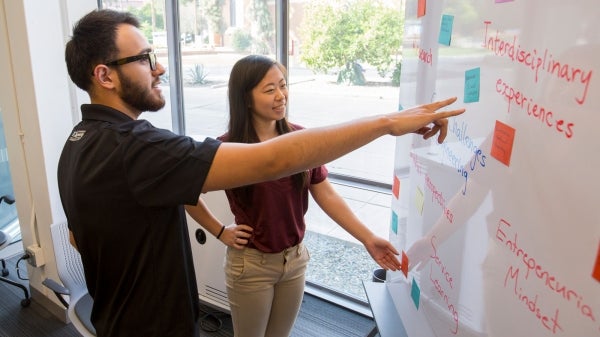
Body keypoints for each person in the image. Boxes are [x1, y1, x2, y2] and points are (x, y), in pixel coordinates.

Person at [58, 8, 465, 337]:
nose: (159, 67)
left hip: (118, 320)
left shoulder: (78, 143)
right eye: (145, 58)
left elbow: (80, 238)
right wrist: (386, 124)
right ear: (105, 75)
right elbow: (273, 160)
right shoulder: (136, 148)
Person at [184, 55, 405, 337]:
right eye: (269, 90)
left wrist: (367, 238)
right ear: (246, 99)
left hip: (295, 260)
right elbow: (187, 193)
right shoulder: (228, 147)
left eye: (283, 85)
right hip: (251, 265)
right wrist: (220, 231)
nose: (281, 96)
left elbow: (327, 194)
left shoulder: (300, 140)